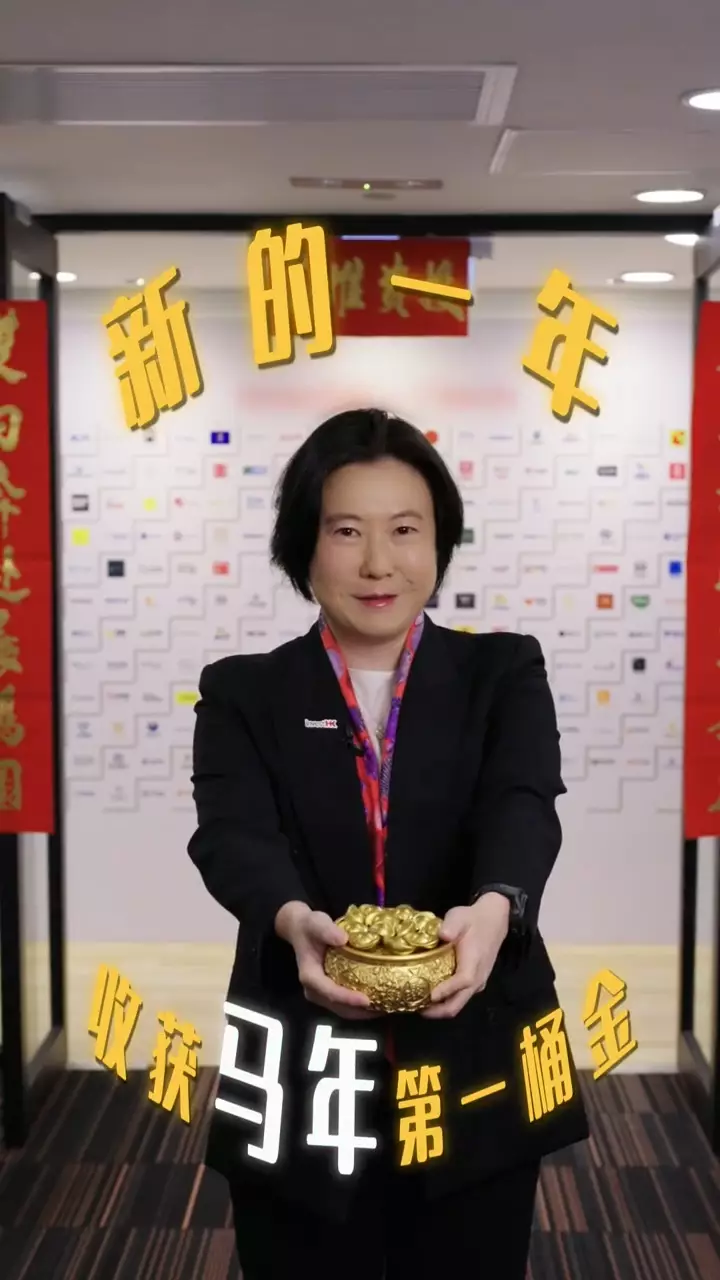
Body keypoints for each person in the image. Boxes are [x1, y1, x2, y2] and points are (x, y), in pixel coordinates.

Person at [188, 407, 589, 1279]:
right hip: (301, 1056)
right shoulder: (243, 692)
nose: (378, 563)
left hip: (477, 1045)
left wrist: (496, 909)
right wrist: (293, 921)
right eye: (346, 531)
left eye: (405, 529)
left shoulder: (503, 671)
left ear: (439, 541)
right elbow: (231, 835)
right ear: (303, 545)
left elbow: (524, 804)